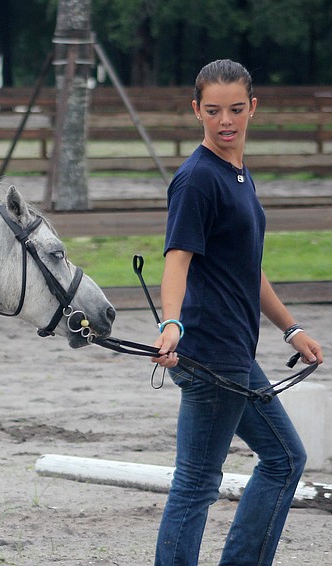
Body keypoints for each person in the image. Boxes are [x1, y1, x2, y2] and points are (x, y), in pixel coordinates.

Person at [150, 59, 324, 565]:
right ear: (195, 111)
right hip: (209, 354)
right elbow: (176, 259)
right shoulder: (198, 179)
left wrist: (290, 328)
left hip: (233, 352)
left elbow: (248, 268)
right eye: (212, 110)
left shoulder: (237, 175)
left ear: (253, 107)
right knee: (198, 484)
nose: (225, 120)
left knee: (284, 458)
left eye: (234, 109)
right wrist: (171, 322)